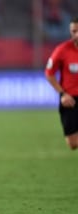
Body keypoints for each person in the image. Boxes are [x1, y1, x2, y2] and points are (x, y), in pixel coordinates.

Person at [45, 16, 78, 150]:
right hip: (69, 99)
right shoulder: (62, 50)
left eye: (77, 31)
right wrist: (63, 94)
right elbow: (49, 73)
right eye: (73, 31)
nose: (75, 34)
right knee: (72, 144)